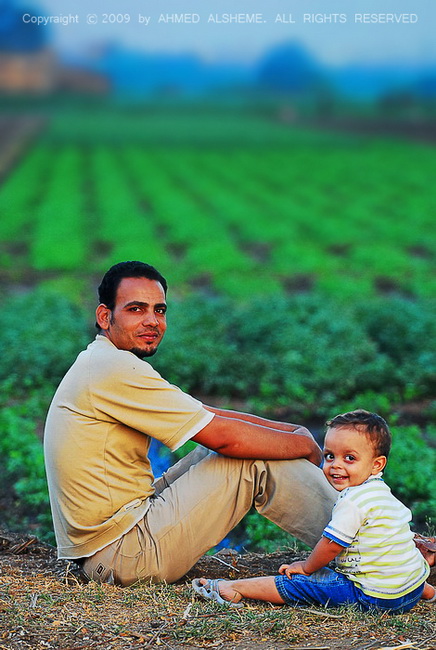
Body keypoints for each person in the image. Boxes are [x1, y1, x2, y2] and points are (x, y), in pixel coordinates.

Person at [44, 260, 337, 586]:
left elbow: (207, 415)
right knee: (250, 459)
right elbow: (227, 439)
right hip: (123, 554)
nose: (152, 321)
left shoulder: (102, 362)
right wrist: (304, 444)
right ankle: (373, 549)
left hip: (112, 540)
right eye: (136, 309)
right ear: (104, 316)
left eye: (159, 310)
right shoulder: (111, 368)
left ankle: (367, 537)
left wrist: (294, 433)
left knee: (235, 452)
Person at [192, 410, 435, 613]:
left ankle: (235, 588)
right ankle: (425, 591)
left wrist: (307, 567)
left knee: (307, 583)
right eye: (329, 456)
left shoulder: (353, 502)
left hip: (377, 598)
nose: (335, 465)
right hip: (411, 588)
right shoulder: (380, 491)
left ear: (377, 464)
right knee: (397, 553)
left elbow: (331, 545)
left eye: (349, 458)